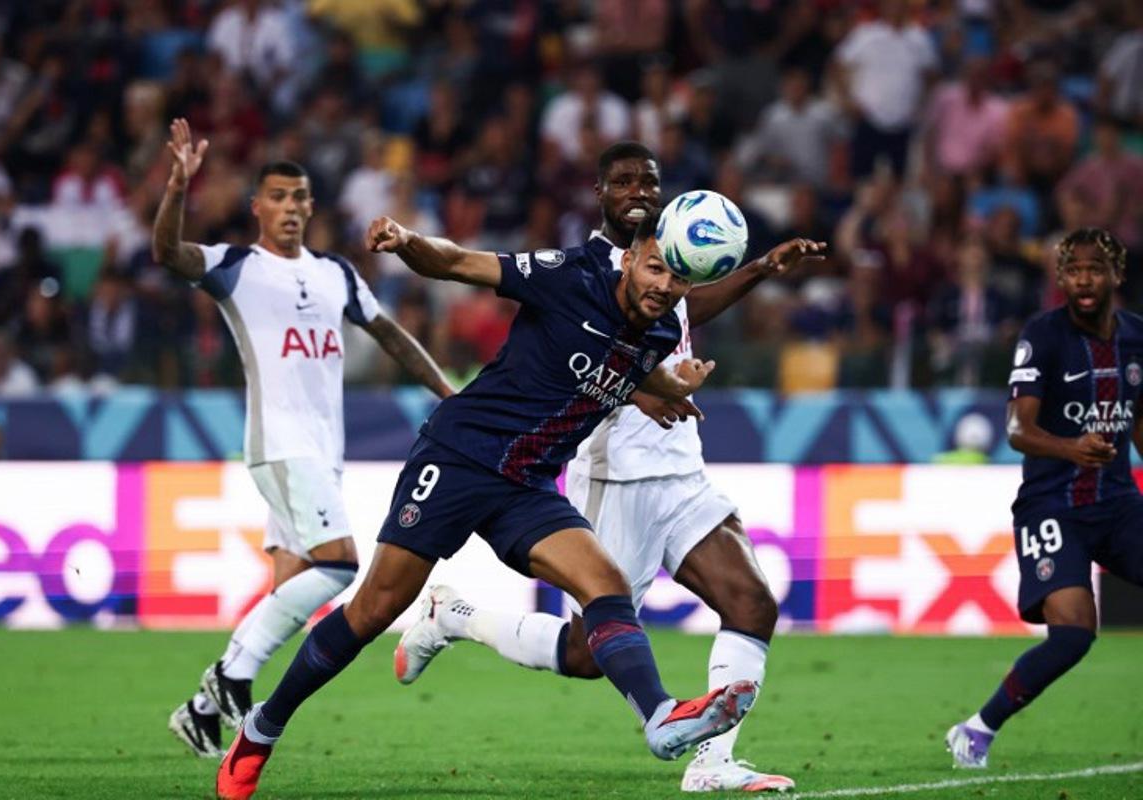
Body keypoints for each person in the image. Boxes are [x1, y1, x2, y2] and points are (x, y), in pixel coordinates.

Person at [217, 209, 756, 800]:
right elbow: (455, 262)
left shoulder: (655, 334)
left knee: (606, 586)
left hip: (525, 485)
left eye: (678, 280)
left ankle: (660, 718)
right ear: (628, 258)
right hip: (458, 458)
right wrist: (407, 243)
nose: (664, 287)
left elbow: (625, 371)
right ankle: (262, 728)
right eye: (654, 268)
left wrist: (666, 389)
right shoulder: (569, 276)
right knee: (373, 609)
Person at [394, 141, 825, 793]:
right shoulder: (583, 268)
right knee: (586, 653)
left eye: (648, 182)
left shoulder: (670, 262)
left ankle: (711, 763)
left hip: (681, 472)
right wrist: (645, 391)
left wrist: (761, 266)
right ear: (600, 192)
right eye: (623, 182)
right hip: (613, 472)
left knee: (753, 602)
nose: (638, 192)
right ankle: (455, 618)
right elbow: (579, 362)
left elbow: (688, 309)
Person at [153, 119, 454, 759]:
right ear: (257, 206)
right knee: (340, 562)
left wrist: (448, 393)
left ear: (312, 207)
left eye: (301, 198)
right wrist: (177, 188)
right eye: (279, 198)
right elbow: (170, 255)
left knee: (289, 588)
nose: (291, 209)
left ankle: (204, 713)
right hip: (279, 444)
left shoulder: (336, 275)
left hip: (323, 450)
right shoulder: (237, 266)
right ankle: (232, 675)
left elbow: (389, 333)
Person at [946, 229, 1143, 768]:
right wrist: (1072, 448)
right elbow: (1017, 428)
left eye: (1095, 268)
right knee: (1074, 635)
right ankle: (977, 729)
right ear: (1060, 278)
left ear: (1116, 276)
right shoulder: (1043, 335)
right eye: (1074, 270)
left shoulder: (1136, 337)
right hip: (1054, 505)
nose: (1084, 279)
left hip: (1120, 503)